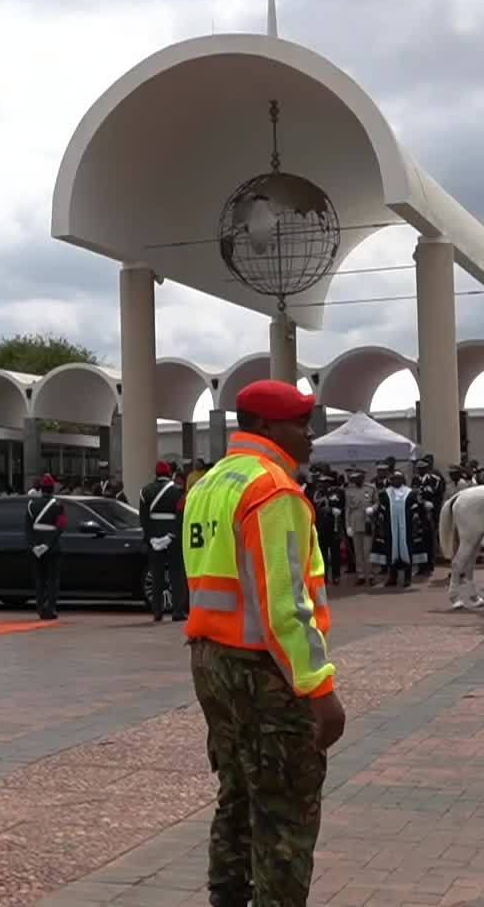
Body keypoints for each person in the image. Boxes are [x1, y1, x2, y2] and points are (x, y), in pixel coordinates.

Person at [181, 378, 345, 906]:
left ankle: (227, 897)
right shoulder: (271, 489)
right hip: (262, 671)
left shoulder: (208, 485)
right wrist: (320, 690)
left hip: (211, 662)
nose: (311, 434)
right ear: (268, 427)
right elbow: (285, 607)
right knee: (285, 810)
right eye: (301, 423)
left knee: (237, 792)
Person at [140, 461, 187, 623]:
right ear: (169, 474)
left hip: (154, 536)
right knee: (176, 574)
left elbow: (143, 518)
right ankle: (177, 612)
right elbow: (181, 517)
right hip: (172, 536)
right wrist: (172, 535)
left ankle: (157, 612)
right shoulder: (178, 492)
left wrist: (151, 538)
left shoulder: (145, 491)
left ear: (156, 473)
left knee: (157, 575)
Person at [25, 473, 66, 620]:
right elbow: (61, 527)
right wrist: (47, 544)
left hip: (36, 548)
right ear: (52, 488)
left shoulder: (31, 505)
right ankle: (50, 609)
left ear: (41, 489)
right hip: (53, 548)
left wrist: (34, 546)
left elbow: (27, 529)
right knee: (53, 580)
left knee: (39, 579)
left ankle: (40, 608)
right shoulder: (58, 505)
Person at [371, 470, 421, 587]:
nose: (395, 481)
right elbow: (381, 510)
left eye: (398, 478)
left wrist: (415, 518)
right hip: (391, 527)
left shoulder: (410, 493)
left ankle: (407, 578)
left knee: (406, 549)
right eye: (393, 479)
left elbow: (415, 508)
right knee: (391, 550)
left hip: (406, 527)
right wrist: (380, 522)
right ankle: (392, 577)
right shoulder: (385, 494)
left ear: (402, 479)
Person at [341, 468, 376, 585]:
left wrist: (373, 508)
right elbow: (347, 509)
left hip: (367, 523)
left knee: (367, 551)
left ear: (363, 478)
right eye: (354, 478)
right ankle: (360, 575)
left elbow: (377, 502)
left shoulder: (371, 488)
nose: (356, 480)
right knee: (358, 552)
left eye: (358, 478)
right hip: (355, 523)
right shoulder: (349, 491)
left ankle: (370, 575)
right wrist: (348, 526)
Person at [413, 455, 445, 577]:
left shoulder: (434, 479)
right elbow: (414, 493)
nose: (420, 470)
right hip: (418, 513)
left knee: (429, 539)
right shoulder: (415, 480)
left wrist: (428, 504)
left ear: (427, 468)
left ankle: (429, 565)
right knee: (419, 541)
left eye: (422, 468)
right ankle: (421, 566)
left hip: (430, 513)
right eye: (418, 468)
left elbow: (436, 495)